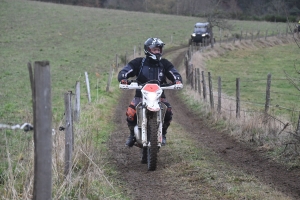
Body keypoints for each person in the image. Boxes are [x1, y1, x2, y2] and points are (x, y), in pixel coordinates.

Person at [118, 37, 183, 147]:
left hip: (159, 96)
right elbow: (125, 70)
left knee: (168, 112)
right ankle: (132, 135)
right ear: (148, 50)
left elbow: (174, 73)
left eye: (159, 49)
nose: (157, 51)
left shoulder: (164, 64)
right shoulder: (139, 62)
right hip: (141, 95)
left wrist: (177, 80)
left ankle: (163, 133)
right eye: (154, 50)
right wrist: (123, 78)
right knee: (131, 113)